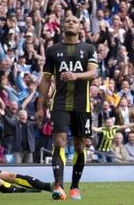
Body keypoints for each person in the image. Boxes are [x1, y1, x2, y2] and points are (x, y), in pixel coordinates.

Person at [36, 15, 98, 200]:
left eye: (74, 21)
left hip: (82, 105)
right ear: (62, 25)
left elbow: (93, 73)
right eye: (67, 20)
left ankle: (75, 187)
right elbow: (46, 79)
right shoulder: (53, 50)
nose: (70, 22)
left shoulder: (89, 48)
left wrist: (76, 76)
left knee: (80, 147)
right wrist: (40, 107)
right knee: (59, 142)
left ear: (80, 27)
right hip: (60, 103)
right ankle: (59, 186)